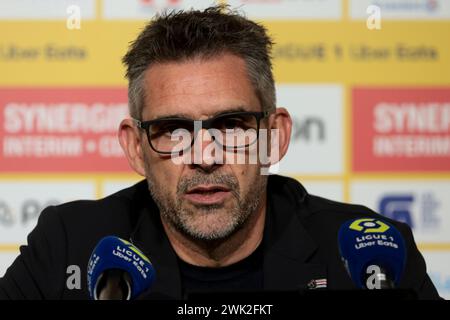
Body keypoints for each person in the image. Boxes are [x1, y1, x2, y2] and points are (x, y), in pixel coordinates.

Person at [0, 5, 440, 300]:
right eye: (173, 130)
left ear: (276, 136)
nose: (205, 155)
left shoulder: (373, 258)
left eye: (230, 125)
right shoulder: (67, 247)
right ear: (136, 147)